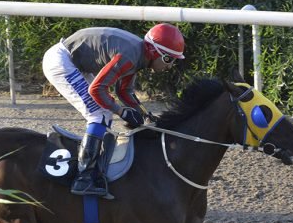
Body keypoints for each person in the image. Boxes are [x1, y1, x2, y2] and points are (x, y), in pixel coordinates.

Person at [41, 23, 185, 197]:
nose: (170, 66)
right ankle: (84, 177)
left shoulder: (139, 54)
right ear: (155, 52)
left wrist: (144, 114)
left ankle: (94, 167)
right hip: (61, 61)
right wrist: (122, 112)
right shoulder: (130, 56)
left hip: (73, 60)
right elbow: (96, 90)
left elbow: (124, 91)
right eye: (169, 59)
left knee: (104, 113)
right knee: (99, 114)